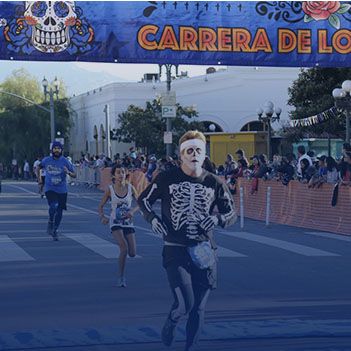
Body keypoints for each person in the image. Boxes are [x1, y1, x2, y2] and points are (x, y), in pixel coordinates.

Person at [138, 130, 237, 351]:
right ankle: (172, 321)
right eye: (189, 151)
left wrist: (217, 218)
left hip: (204, 250)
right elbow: (144, 200)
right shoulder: (166, 177)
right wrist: (152, 219)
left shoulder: (214, 182)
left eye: (198, 151)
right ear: (182, 154)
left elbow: (231, 213)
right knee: (185, 304)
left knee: (199, 309)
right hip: (175, 249)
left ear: (204, 155)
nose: (194, 155)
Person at [98, 165, 139, 287]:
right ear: (113, 175)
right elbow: (100, 206)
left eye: (123, 172)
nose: (121, 175)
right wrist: (102, 217)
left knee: (132, 253)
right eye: (118, 172)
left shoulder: (130, 188)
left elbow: (140, 202)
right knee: (123, 248)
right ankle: (121, 277)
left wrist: (132, 211)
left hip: (127, 222)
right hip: (115, 221)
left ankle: (122, 274)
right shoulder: (110, 190)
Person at [37, 141, 76, 241]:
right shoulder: (47, 160)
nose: (57, 151)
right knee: (53, 205)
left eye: (59, 149)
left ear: (61, 150)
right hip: (50, 188)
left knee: (59, 211)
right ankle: (50, 221)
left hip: (62, 190)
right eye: (55, 149)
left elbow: (74, 174)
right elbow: (38, 167)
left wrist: (68, 173)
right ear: (52, 150)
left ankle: (55, 229)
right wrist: (40, 179)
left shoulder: (65, 161)